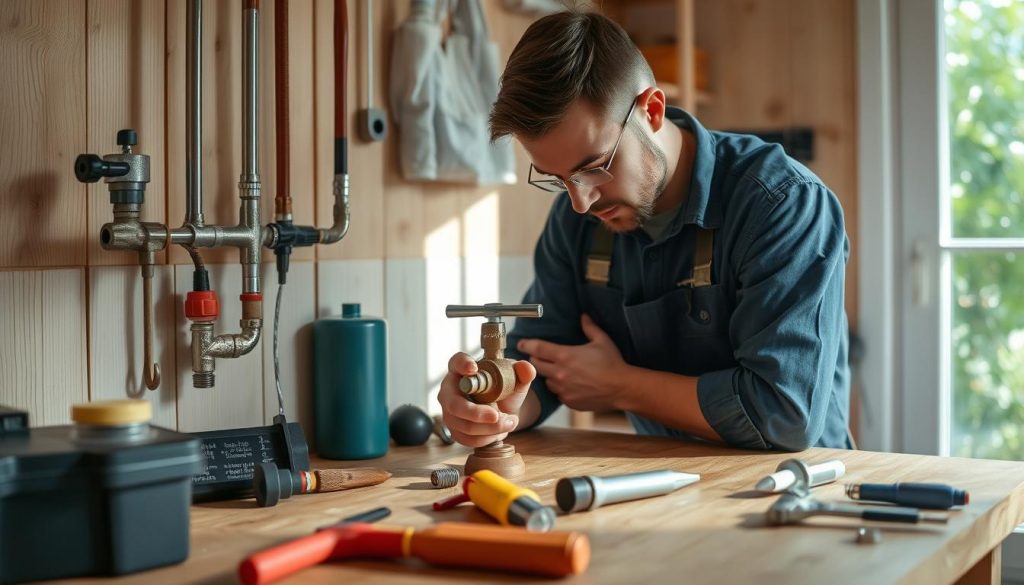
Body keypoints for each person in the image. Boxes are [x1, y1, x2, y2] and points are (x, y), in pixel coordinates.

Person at [437, 9, 852, 452]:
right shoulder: (575, 220)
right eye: (557, 179)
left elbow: (783, 415)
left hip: (797, 492)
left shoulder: (781, 203)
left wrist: (620, 386)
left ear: (652, 111)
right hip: (667, 488)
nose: (580, 202)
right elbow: (541, 365)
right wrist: (492, 404)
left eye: (594, 168)